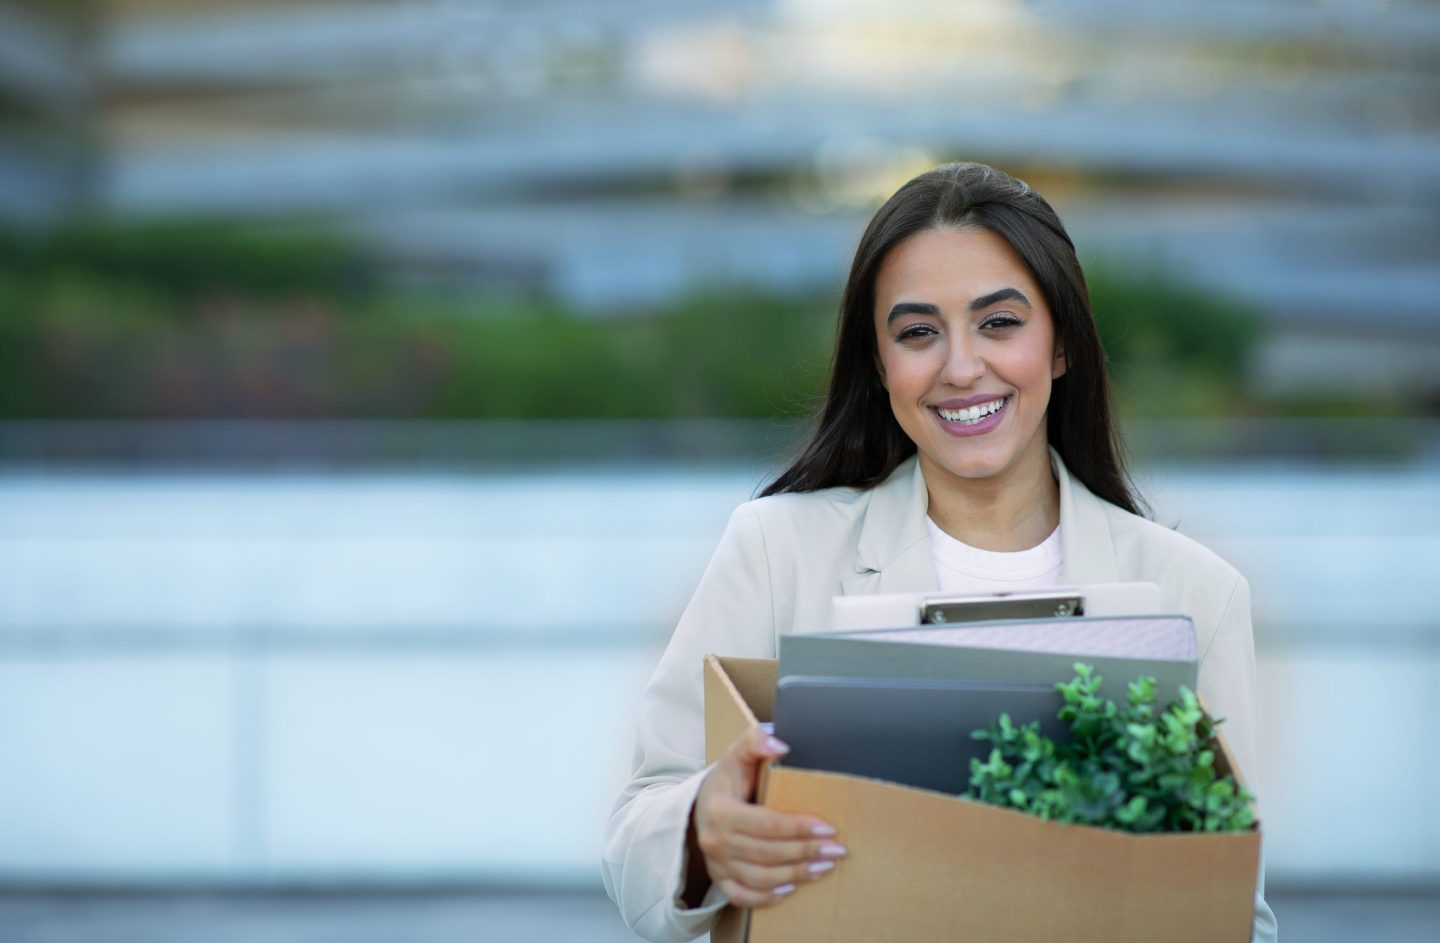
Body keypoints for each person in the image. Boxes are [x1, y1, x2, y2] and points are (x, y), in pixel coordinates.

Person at [601, 162, 1277, 943]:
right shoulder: (777, 551)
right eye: (918, 332)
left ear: (1062, 346)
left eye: (1000, 323)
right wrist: (702, 831)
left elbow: (1235, 913)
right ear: (881, 364)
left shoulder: (1194, 596)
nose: (960, 367)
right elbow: (635, 835)